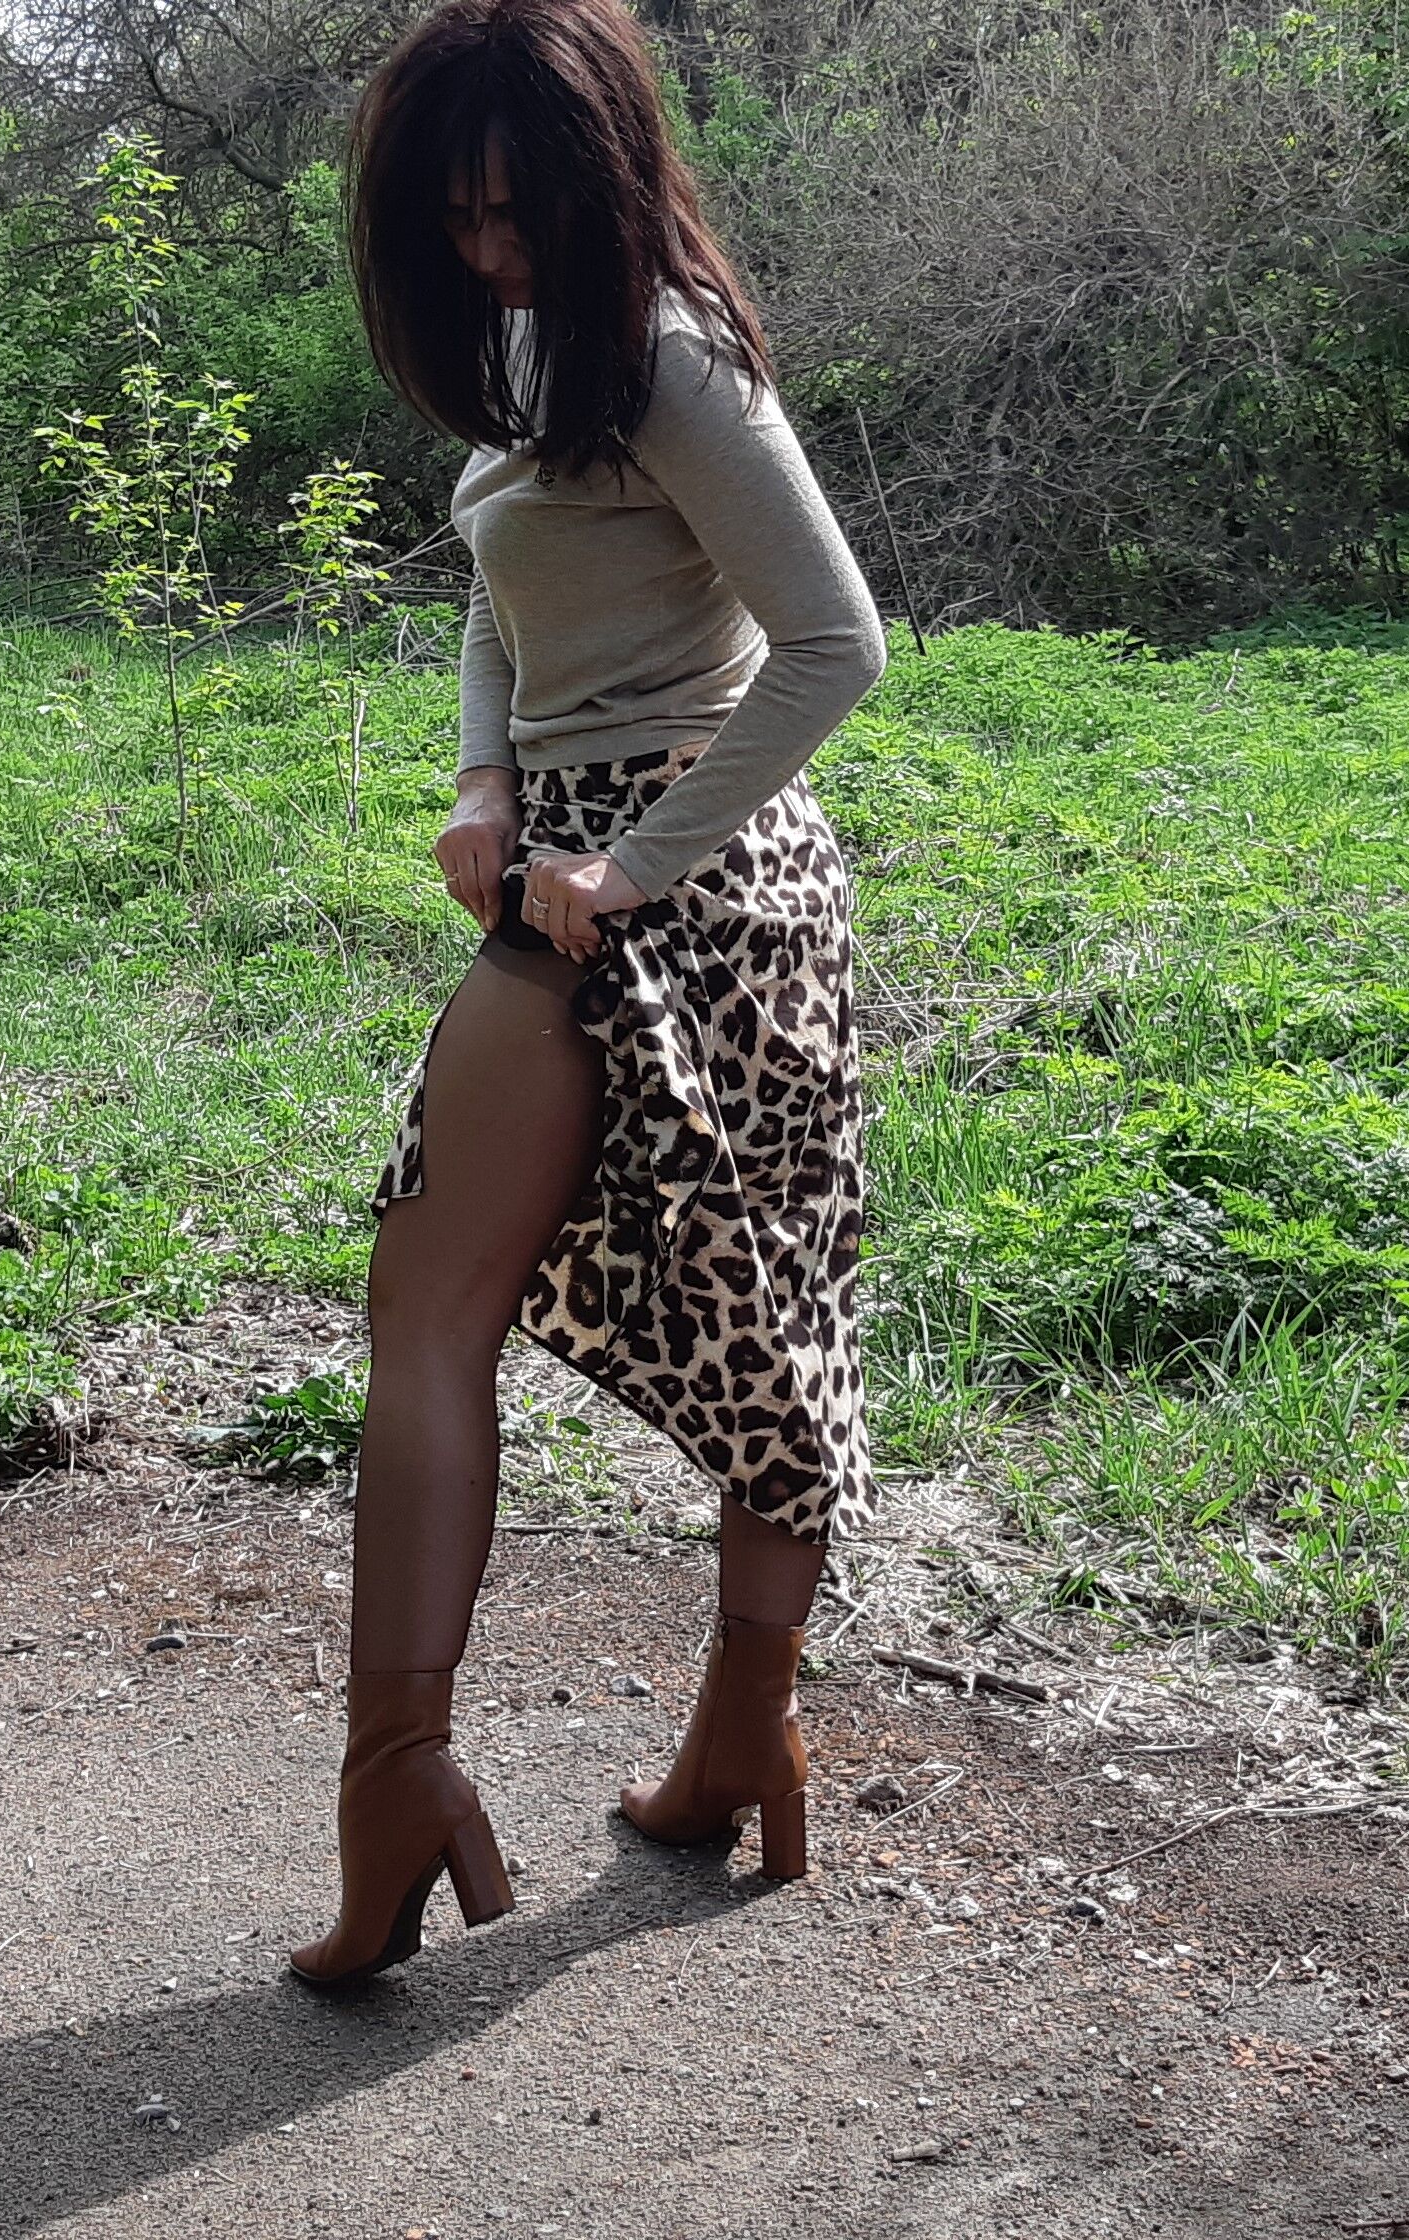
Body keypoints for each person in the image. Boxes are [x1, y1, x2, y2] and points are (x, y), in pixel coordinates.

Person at [289, 0, 888, 1988]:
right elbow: (499, 590)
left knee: (763, 1329)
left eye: (513, 209)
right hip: (556, 869)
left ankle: (737, 1740)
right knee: (424, 1303)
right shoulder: (538, 355)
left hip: (707, 886)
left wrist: (633, 857)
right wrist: (484, 781)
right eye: (452, 219)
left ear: (600, 175)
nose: (486, 252)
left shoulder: (679, 362)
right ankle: (402, 1779)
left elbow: (835, 643)